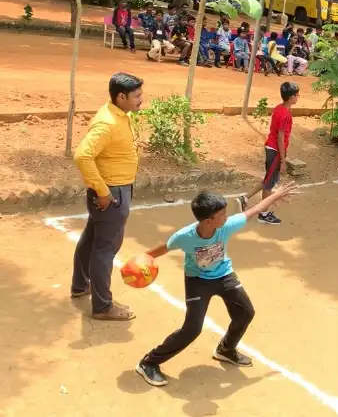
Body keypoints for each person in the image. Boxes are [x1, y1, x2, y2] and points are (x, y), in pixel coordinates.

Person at [134, 184, 298, 387]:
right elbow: (159, 250)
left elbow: (255, 210)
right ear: (208, 220)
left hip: (224, 276)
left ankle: (226, 349)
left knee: (245, 312)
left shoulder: (226, 226)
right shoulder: (184, 237)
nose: (226, 217)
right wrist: (140, 262)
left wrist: (276, 195)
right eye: (222, 214)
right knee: (192, 329)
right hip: (197, 281)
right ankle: (149, 362)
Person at [71, 73, 144, 321]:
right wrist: (103, 191)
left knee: (91, 239)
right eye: (137, 96)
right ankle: (102, 307)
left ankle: (80, 285)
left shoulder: (120, 114)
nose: (141, 100)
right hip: (112, 194)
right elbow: (82, 156)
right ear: (121, 97)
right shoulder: (107, 123)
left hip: (115, 189)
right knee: (105, 249)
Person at [237, 82, 299, 225]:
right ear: (291, 97)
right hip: (276, 151)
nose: (298, 98)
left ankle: (245, 198)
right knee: (269, 185)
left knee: (268, 179)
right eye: (297, 95)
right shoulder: (286, 115)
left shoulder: (279, 108)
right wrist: (283, 160)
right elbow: (280, 138)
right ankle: (263, 214)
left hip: (271, 148)